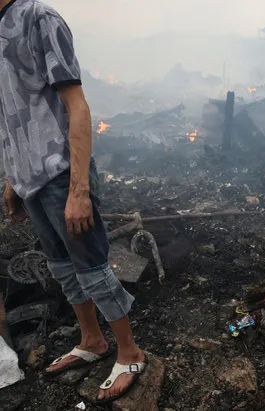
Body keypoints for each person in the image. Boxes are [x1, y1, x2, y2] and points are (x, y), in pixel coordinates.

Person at [0, 0, 145, 403]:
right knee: (62, 267)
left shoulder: (39, 19)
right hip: (29, 180)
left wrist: (79, 188)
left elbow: (77, 105)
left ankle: (130, 352)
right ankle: (91, 340)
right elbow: (10, 113)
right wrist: (12, 178)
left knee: (92, 266)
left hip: (61, 172)